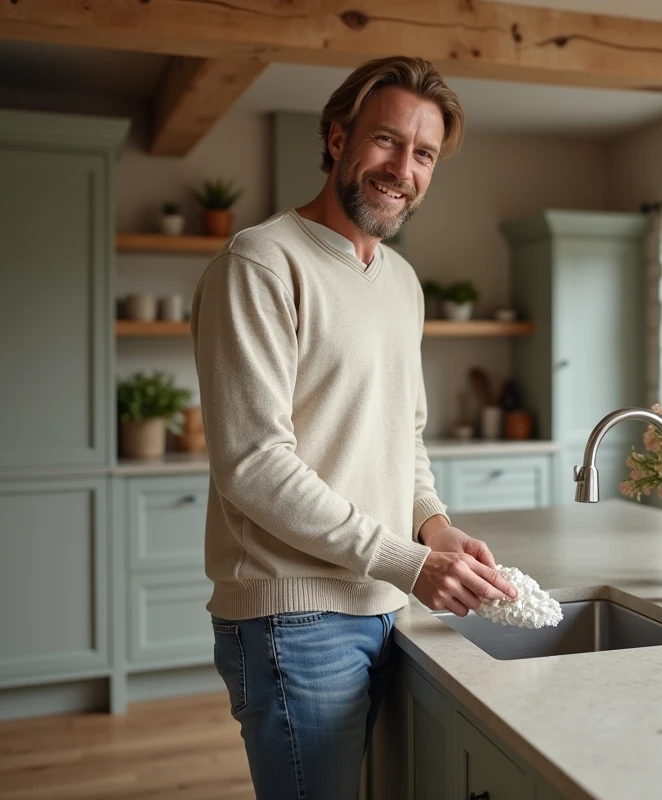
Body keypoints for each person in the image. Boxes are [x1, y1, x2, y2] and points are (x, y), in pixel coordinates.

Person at [189, 55, 519, 799]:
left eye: (424, 153)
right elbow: (252, 464)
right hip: (293, 618)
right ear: (337, 139)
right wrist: (406, 560)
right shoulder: (261, 263)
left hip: (383, 606)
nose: (403, 167)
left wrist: (433, 529)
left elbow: (406, 436)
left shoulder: (401, 282)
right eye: (385, 141)